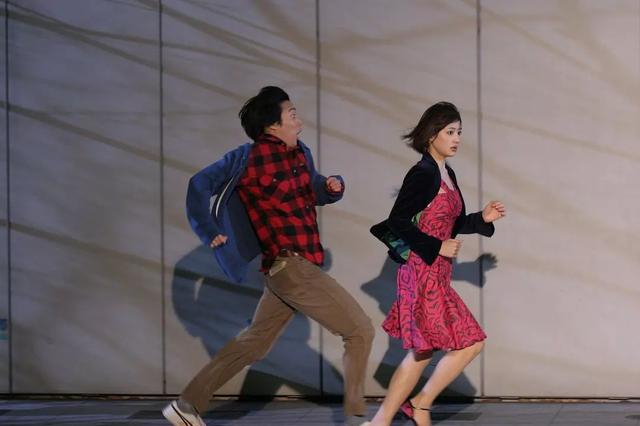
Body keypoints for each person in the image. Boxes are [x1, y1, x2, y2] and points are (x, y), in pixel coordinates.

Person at [163, 86, 374, 426]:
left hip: (287, 271)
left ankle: (186, 405)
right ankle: (356, 419)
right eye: (292, 114)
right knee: (359, 330)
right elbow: (199, 184)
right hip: (291, 266)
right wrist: (208, 229)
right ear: (273, 125)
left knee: (254, 344)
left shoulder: (301, 153)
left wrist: (329, 187)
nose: (298, 120)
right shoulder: (246, 158)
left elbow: (312, 189)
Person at [369, 102, 506, 426]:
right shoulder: (423, 173)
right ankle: (410, 409)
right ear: (432, 135)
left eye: (459, 132)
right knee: (462, 344)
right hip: (421, 273)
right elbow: (398, 220)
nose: (456, 139)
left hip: (437, 274)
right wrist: (437, 246)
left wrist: (482, 219)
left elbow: (452, 222)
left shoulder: (446, 173)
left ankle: (396, 414)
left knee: (426, 350)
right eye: (450, 132)